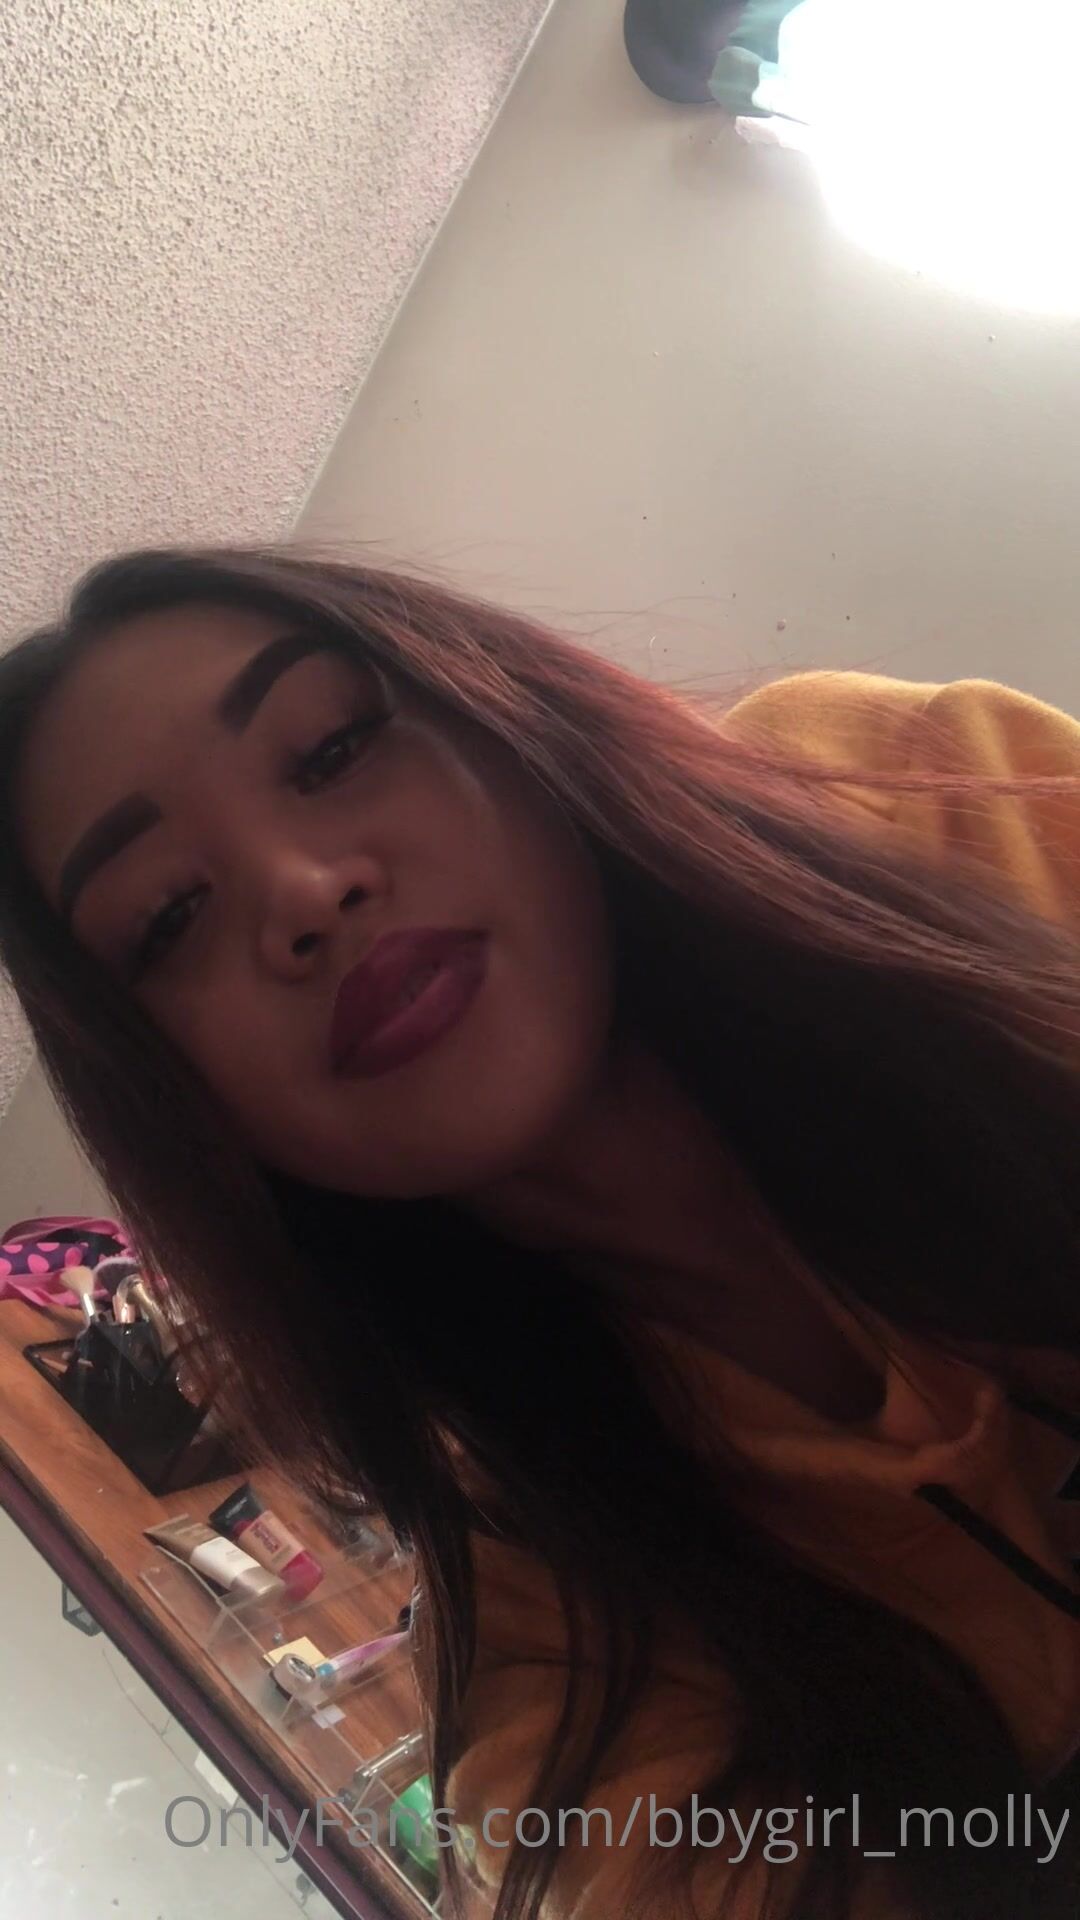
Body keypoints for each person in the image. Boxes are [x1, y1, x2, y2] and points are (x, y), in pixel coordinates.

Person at [1, 544, 1079, 1920]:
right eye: (169, 918)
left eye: (331, 749)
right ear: (180, 1100)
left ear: (500, 716)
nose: (305, 891)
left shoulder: (911, 798)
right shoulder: (551, 1647)